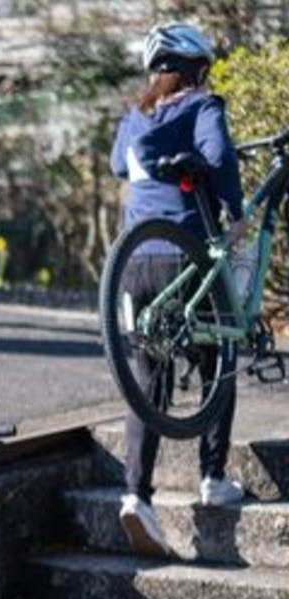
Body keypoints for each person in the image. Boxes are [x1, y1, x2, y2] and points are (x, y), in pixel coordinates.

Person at [110, 21, 246, 556]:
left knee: (149, 378)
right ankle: (213, 476)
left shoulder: (134, 115)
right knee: (222, 352)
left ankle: (135, 497)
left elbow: (120, 165)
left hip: (134, 261)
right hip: (186, 253)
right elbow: (219, 160)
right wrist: (233, 212)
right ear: (195, 69)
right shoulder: (203, 107)